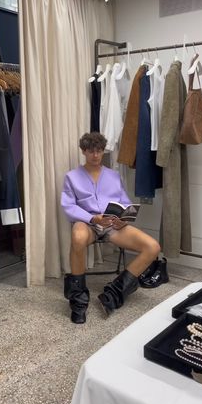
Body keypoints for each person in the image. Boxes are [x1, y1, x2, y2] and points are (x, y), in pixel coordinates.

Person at [61, 132, 161, 324]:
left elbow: (124, 202)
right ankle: (78, 300)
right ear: (83, 152)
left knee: (153, 247)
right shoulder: (72, 177)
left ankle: (113, 293)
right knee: (78, 237)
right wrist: (92, 218)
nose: (95, 155)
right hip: (88, 223)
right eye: (91, 151)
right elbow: (69, 207)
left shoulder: (113, 176)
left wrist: (124, 219)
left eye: (98, 151)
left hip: (113, 225)